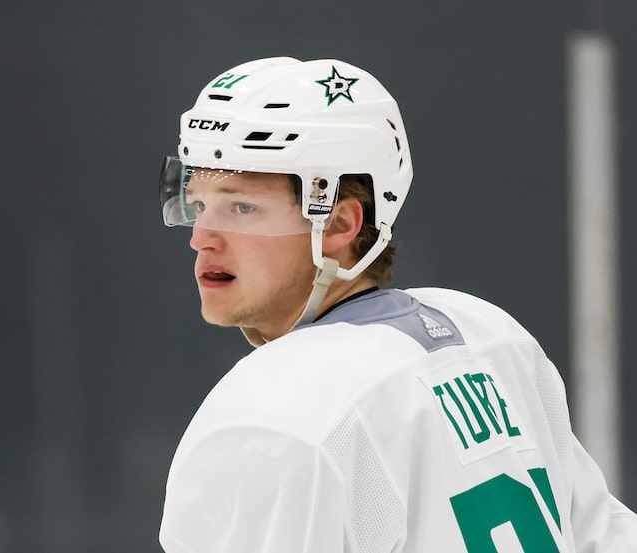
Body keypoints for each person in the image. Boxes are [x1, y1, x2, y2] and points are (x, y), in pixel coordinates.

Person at [157, 57, 636, 552]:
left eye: (241, 208)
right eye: (197, 205)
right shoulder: (492, 337)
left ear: (340, 224)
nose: (202, 239)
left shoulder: (265, 416)